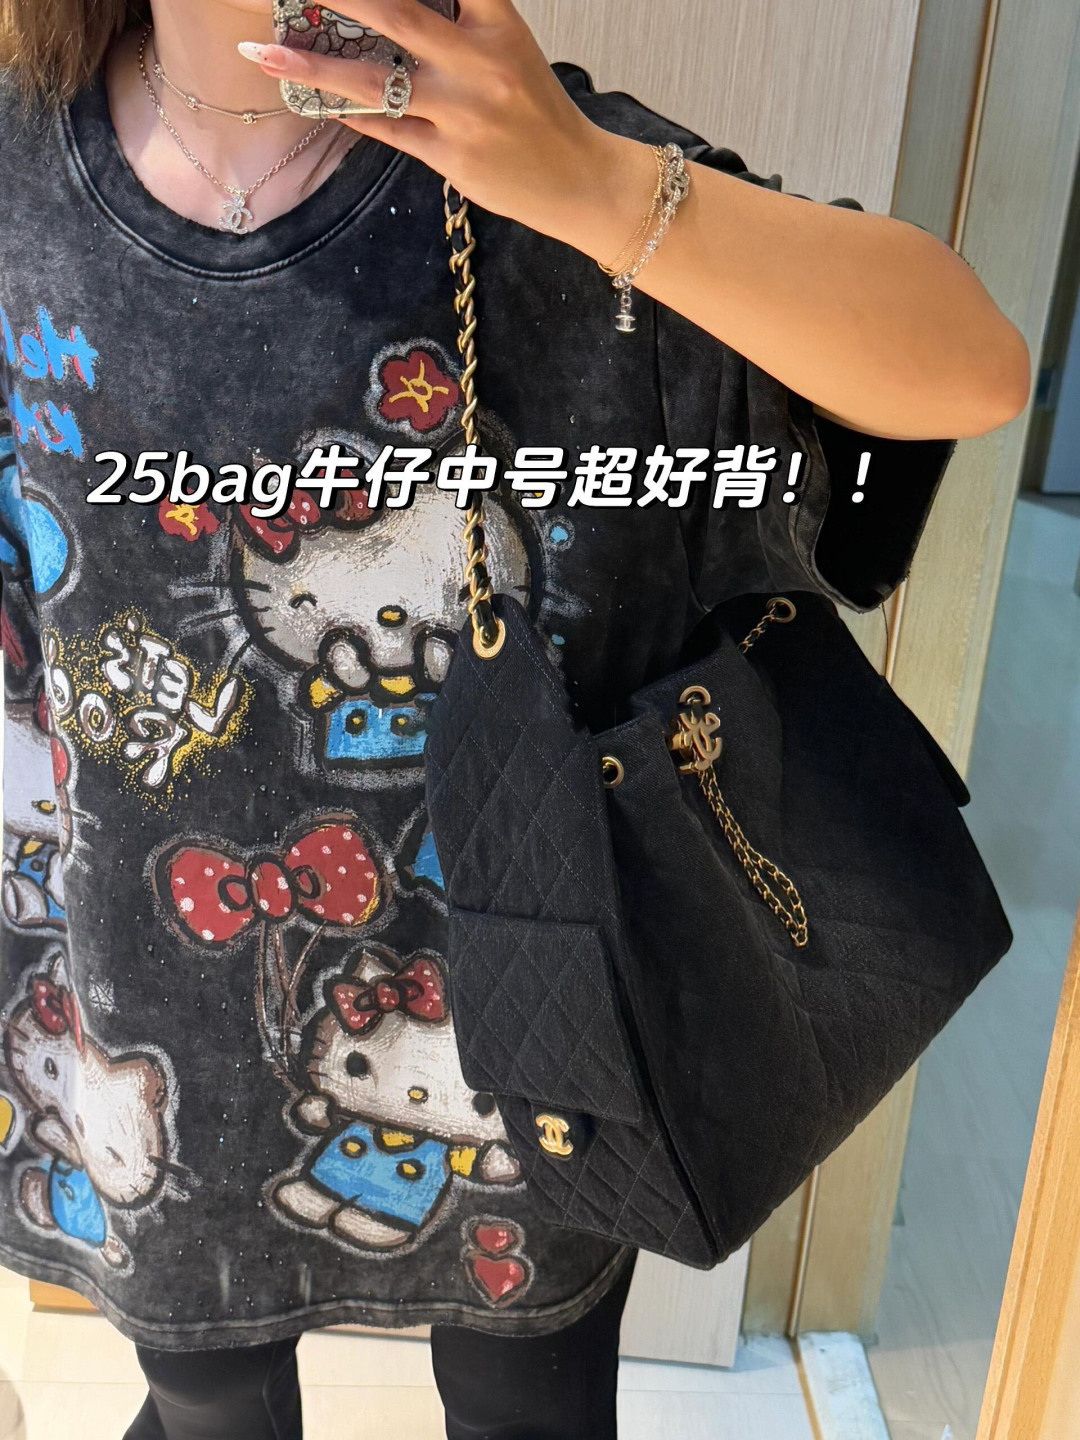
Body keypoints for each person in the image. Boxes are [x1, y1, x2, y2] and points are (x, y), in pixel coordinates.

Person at [0, 1, 1028, 1436]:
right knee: (203, 1397)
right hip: (143, 988)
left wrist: (596, 188)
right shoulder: (26, 170)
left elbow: (969, 368)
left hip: (543, 996)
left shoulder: (536, 160)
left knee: (527, 1396)